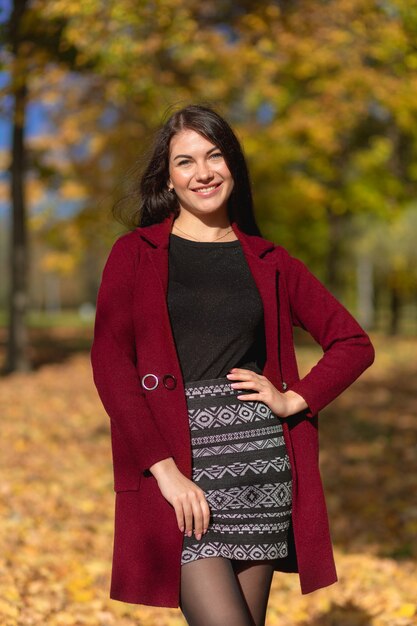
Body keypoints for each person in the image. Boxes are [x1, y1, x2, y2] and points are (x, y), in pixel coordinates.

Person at [90, 104, 375, 626]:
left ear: (233, 166)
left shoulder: (271, 261)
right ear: (169, 179)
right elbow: (111, 367)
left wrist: (296, 397)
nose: (202, 172)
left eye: (214, 155)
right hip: (179, 470)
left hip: (260, 469)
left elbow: (353, 342)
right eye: (185, 161)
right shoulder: (134, 254)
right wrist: (165, 471)